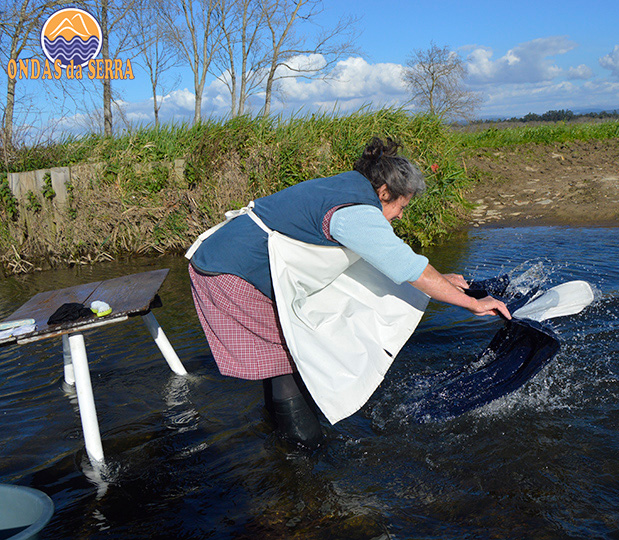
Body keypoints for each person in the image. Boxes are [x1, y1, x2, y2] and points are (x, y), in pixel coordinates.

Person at [187, 137, 510, 449]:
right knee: (284, 357)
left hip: (230, 259)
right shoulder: (355, 212)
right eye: (401, 206)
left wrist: (441, 279)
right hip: (231, 272)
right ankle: (305, 446)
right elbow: (407, 267)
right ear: (385, 191)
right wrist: (472, 303)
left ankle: (279, 430)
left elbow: (392, 256)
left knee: (284, 356)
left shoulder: (348, 187)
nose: (400, 215)